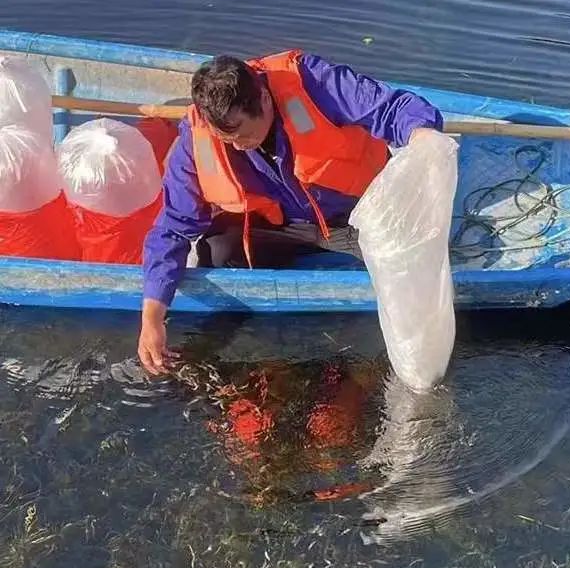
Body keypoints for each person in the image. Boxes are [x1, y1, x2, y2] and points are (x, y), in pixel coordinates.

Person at [138, 49, 444, 374]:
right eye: (226, 139)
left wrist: (422, 136)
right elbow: (173, 227)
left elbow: (394, 108)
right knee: (216, 251)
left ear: (264, 99)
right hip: (282, 224)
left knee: (408, 262)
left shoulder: (312, 82)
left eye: (243, 134)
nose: (237, 145)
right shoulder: (199, 135)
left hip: (356, 219)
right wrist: (152, 318)